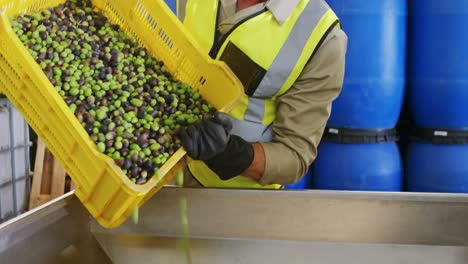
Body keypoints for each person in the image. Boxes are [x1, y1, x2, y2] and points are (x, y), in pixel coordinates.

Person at [176, 0, 348, 188]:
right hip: (161, 173)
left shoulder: (322, 35)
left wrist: (229, 153)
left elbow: (294, 157)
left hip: (235, 200)